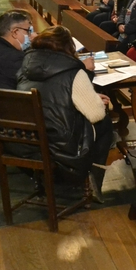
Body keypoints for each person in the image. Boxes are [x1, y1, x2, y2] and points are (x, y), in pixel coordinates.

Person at [16, 26, 115, 196]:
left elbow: (51, 97)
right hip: (61, 146)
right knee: (104, 123)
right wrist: (95, 101)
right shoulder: (74, 72)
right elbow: (96, 114)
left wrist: (86, 97)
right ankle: (92, 180)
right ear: (69, 47)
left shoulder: (25, 67)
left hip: (27, 140)